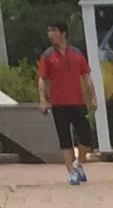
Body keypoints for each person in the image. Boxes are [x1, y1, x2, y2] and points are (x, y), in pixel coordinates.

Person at [35, 22, 97, 184]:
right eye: (49, 31)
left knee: (86, 138)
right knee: (65, 139)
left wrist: (93, 97)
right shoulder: (47, 56)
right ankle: (71, 172)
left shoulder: (77, 54)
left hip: (77, 102)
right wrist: (43, 99)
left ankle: (78, 163)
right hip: (58, 104)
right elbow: (42, 79)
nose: (50, 35)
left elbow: (87, 77)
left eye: (54, 31)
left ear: (63, 34)